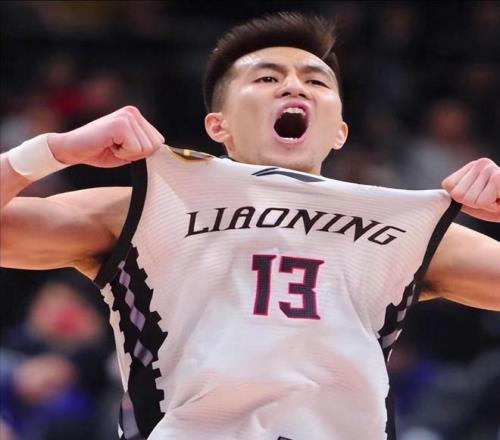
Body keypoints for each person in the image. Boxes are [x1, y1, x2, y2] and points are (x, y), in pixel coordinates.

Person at [1, 12, 499, 440]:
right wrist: (53, 149)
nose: (294, 86)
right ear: (217, 125)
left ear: (340, 131)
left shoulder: (402, 229)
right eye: (266, 78)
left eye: (317, 81)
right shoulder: (149, 206)